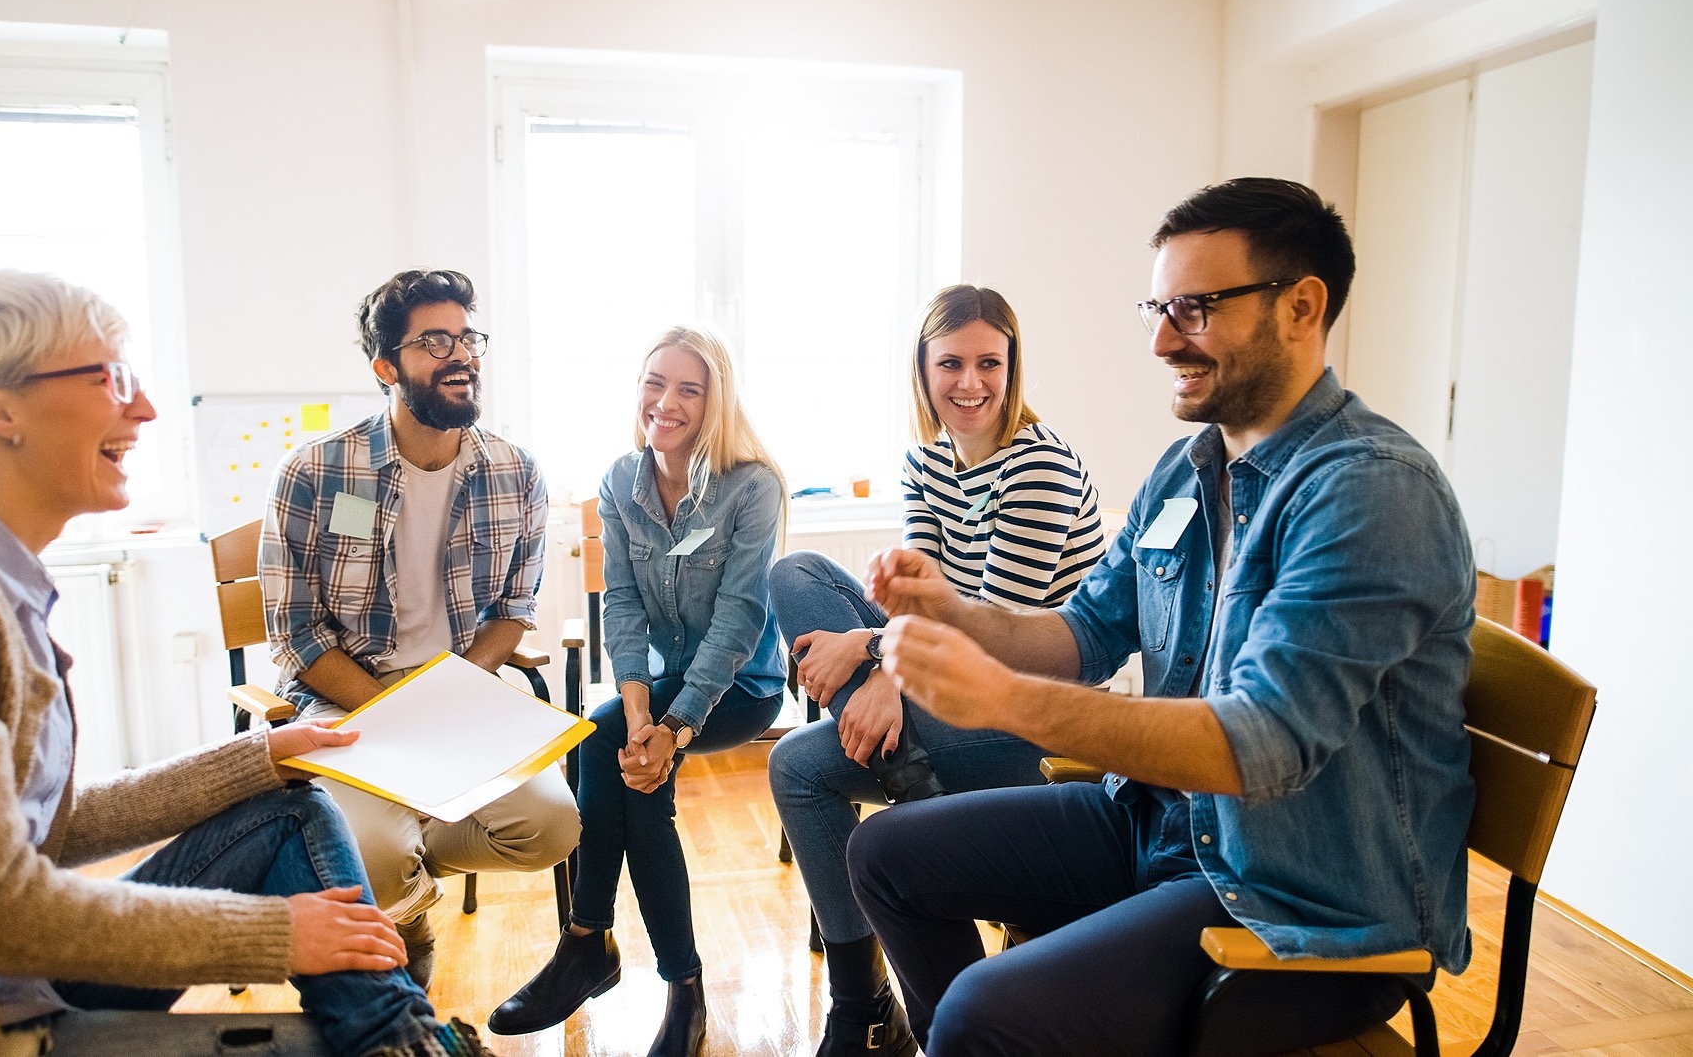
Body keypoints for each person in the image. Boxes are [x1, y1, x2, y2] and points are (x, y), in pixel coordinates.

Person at [0, 269, 494, 1057]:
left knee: (290, 801)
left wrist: (258, 756)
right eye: (110, 378)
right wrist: (278, 931)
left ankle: (404, 1036)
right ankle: (408, 1039)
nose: (145, 407)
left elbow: (57, 822)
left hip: (0, 981)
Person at [850, 178, 1479, 1056]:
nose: (1158, 339)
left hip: (1297, 904)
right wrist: (953, 609)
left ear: (1301, 307)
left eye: (1193, 307)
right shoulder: (1188, 470)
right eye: (1157, 305)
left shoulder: (1369, 491)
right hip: (1161, 826)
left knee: (980, 1014)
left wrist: (999, 697)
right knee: (886, 857)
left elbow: (1259, 743)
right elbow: (1084, 633)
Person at [766, 284, 1106, 1055]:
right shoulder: (928, 460)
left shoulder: (1041, 466)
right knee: (795, 574)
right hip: (952, 691)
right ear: (922, 370)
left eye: (989, 361)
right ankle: (909, 780)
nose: (970, 382)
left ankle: (862, 1006)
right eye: (950, 362)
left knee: (797, 764)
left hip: (1030, 711)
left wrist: (875, 657)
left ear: (1013, 367)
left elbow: (993, 632)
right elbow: (920, 598)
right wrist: (885, 653)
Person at [261, 269, 579, 987]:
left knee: (553, 827)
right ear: (385, 366)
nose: (461, 354)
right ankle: (406, 919)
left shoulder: (516, 471)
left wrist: (450, 703)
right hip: (349, 700)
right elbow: (297, 632)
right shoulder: (316, 472)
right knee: (369, 853)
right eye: (435, 341)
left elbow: (513, 613)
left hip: (459, 692)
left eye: (468, 337)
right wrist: (398, 724)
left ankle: (402, 854)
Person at [487, 326, 787, 1057]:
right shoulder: (621, 481)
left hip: (741, 681)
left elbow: (740, 619)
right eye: (656, 381)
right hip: (662, 680)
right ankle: (601, 947)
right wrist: (641, 709)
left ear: (716, 401)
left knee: (641, 771)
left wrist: (674, 727)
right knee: (605, 733)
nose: (667, 401)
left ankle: (654, 976)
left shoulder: (753, 487)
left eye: (690, 387)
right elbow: (619, 603)